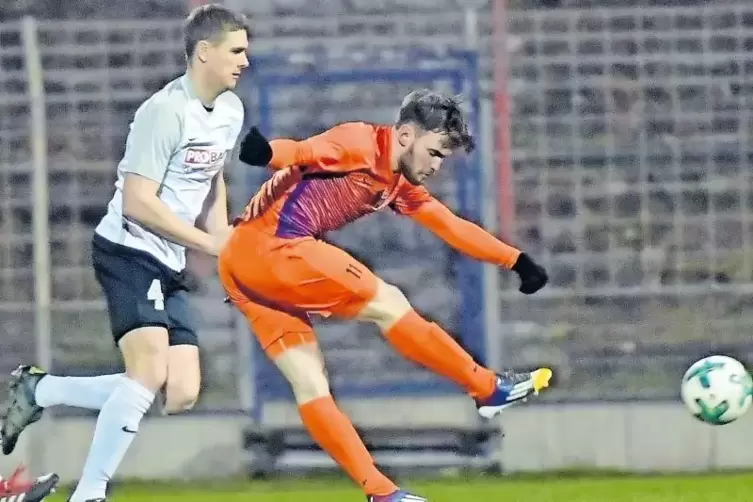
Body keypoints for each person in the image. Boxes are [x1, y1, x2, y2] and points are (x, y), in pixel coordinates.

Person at [219, 89, 552, 502]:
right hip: (274, 248)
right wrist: (267, 153)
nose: (436, 165)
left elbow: (450, 225)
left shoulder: (399, 183)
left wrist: (515, 260)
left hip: (239, 266)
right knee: (389, 301)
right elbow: (303, 151)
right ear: (407, 136)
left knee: (310, 384)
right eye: (434, 152)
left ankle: (381, 493)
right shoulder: (360, 141)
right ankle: (487, 388)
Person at [0, 5, 249, 501]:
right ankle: (89, 493)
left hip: (171, 259)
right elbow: (137, 203)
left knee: (180, 391)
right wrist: (206, 243)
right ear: (204, 52)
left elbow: (213, 173)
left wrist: (221, 233)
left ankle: (40, 391)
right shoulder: (163, 112)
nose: (246, 60)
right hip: (129, 250)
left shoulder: (231, 110)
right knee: (148, 372)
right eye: (237, 50)